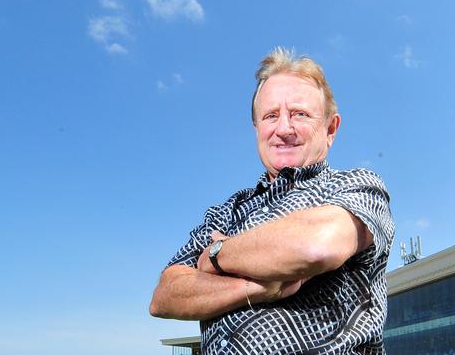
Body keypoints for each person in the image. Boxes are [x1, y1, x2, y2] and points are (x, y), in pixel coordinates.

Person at [150, 47, 395, 355]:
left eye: (299, 114)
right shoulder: (225, 212)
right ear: (257, 128)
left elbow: (316, 245)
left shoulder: (356, 186)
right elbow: (165, 295)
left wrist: (215, 255)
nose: (283, 129)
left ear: (330, 129)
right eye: (270, 116)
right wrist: (255, 287)